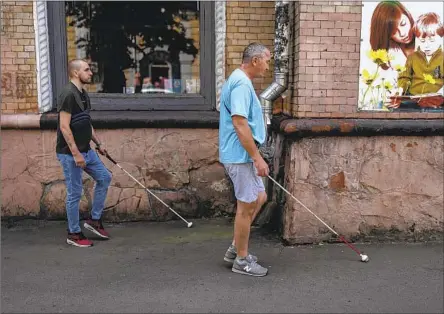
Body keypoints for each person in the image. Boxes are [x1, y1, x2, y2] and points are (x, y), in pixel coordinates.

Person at [219, 43, 271, 277]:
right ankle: (241, 260)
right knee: (246, 205)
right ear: (255, 61)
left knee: (259, 197)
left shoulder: (240, 80)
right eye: (267, 61)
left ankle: (235, 248)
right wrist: (256, 158)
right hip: (240, 156)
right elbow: (239, 123)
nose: (268, 67)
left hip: (242, 155)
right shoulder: (240, 83)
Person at [56, 59, 112, 247]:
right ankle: (73, 233)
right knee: (74, 193)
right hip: (70, 153)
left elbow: (86, 122)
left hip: (87, 150)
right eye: (87, 70)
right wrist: (76, 153)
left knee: (104, 177)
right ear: (75, 73)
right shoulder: (68, 94)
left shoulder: (83, 94)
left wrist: (98, 143)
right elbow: (64, 126)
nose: (90, 73)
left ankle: (94, 220)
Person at [388, 12, 444, 109]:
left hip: (437, 100)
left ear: (441, 38)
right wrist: (400, 89)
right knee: (396, 106)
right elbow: (404, 77)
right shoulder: (412, 57)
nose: (427, 45)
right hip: (415, 99)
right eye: (422, 41)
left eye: (432, 41)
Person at [369, 1, 416, 85]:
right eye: (394, 32)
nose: (402, 33)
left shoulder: (427, 37)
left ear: (408, 15)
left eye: (403, 24)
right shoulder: (390, 55)